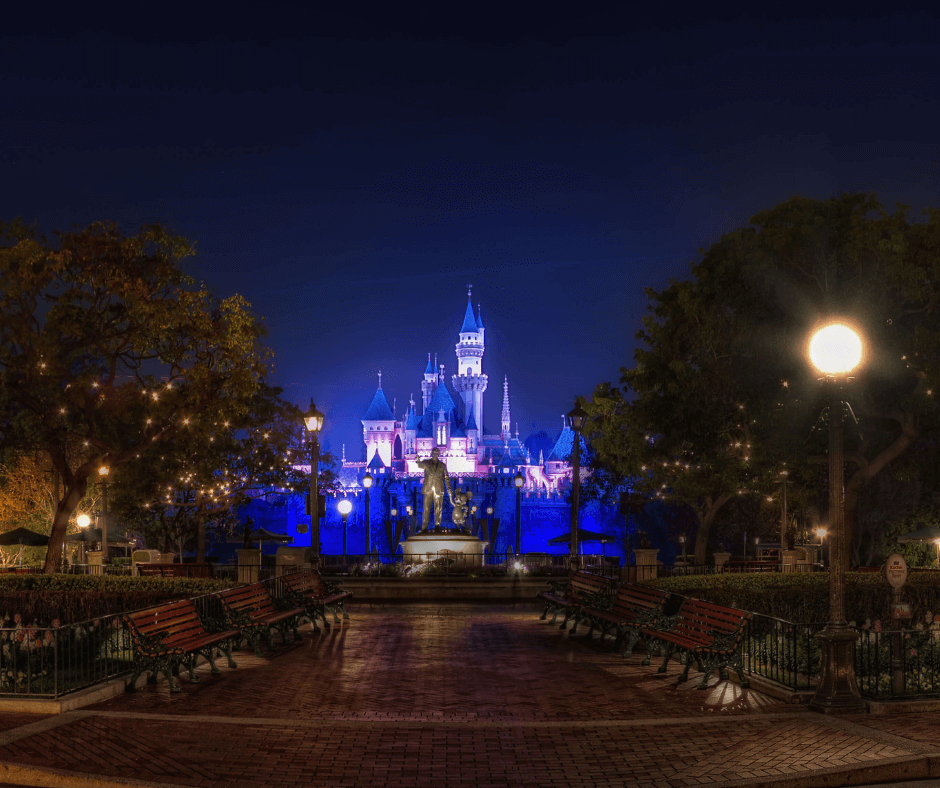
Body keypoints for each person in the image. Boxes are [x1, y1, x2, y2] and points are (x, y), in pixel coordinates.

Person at [415, 448, 453, 530]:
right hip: (428, 488)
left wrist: (449, 489)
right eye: (434, 453)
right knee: (426, 508)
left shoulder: (443, 466)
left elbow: (446, 477)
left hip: (438, 489)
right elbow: (419, 465)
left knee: (438, 508)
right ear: (431, 453)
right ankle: (424, 528)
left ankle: (437, 526)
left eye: (437, 453)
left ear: (439, 454)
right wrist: (417, 460)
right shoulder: (426, 462)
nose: (435, 454)